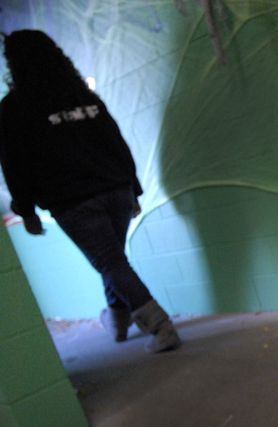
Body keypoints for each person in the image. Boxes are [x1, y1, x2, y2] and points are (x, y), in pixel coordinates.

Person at [0, 29, 180, 353]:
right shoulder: (82, 96)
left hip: (74, 201)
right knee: (113, 260)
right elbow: (115, 140)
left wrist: (26, 211)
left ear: (14, 63)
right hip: (116, 191)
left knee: (110, 262)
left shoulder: (14, 107)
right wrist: (133, 189)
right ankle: (118, 320)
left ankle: (160, 326)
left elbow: (15, 163)